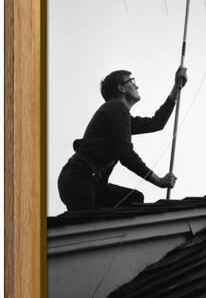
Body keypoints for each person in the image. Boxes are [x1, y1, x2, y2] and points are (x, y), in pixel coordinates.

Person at [57, 67, 188, 210]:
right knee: (84, 227)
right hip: (80, 179)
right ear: (121, 88)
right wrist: (159, 181)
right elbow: (126, 155)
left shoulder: (117, 113)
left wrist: (177, 88)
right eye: (132, 81)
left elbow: (156, 123)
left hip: (90, 182)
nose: (137, 85)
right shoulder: (117, 108)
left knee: (134, 199)